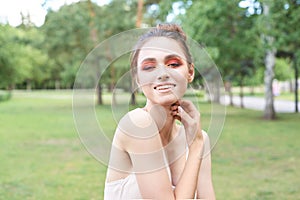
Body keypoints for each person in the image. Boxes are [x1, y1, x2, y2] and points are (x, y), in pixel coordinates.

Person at [104, 24, 215, 200]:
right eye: (149, 67)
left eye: (173, 64)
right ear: (137, 79)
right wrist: (196, 147)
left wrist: (198, 142)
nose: (163, 73)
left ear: (190, 72)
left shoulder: (200, 138)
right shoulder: (138, 124)